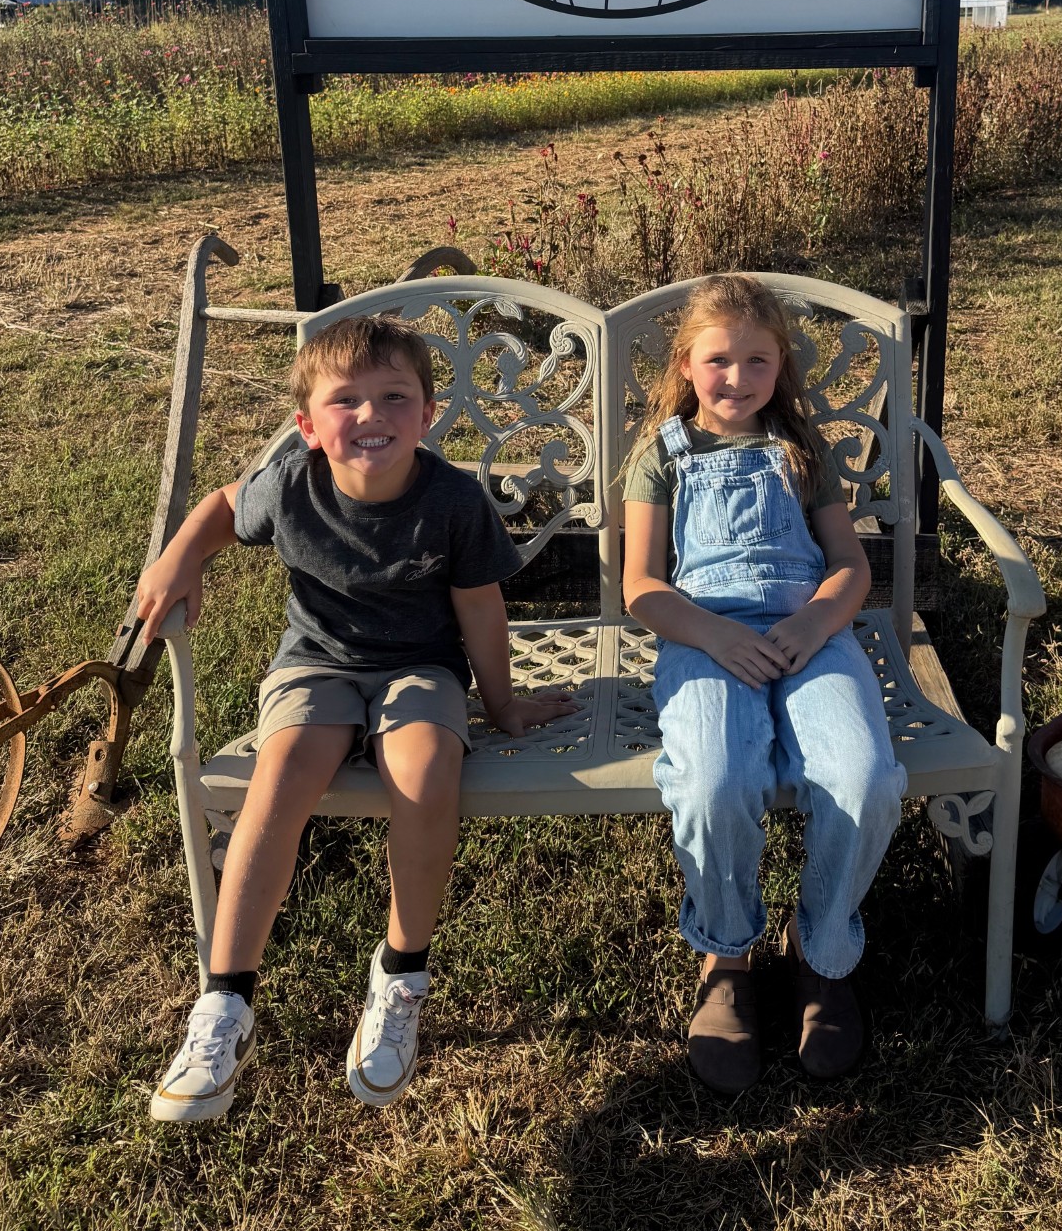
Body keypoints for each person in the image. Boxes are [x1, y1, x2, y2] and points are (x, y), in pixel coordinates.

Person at [135, 314, 573, 1123]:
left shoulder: (452, 500)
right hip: (318, 662)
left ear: (427, 413)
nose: (371, 416)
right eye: (347, 402)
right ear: (307, 425)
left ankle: (401, 976)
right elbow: (222, 508)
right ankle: (224, 1005)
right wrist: (178, 557)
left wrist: (502, 704)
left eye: (393, 397)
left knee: (426, 771)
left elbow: (480, 610)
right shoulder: (293, 482)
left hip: (419, 669)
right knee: (285, 771)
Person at [622, 275, 905, 1094]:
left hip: (808, 634)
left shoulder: (799, 452)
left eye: (757, 360)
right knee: (714, 778)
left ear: (780, 366)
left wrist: (816, 624)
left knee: (861, 774)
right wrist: (712, 634)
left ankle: (823, 950)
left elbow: (849, 568)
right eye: (719, 360)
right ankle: (727, 951)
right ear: (686, 363)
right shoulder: (661, 456)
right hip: (704, 636)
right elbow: (641, 586)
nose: (737, 378)